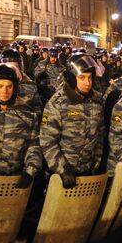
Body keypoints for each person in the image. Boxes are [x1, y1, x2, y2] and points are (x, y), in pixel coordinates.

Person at [40, 54, 105, 189]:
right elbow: (47, 141)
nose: (87, 83)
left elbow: (100, 134)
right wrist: (62, 169)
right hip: (61, 176)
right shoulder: (57, 103)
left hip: (87, 173)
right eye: (82, 78)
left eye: (90, 78)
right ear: (72, 78)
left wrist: (96, 162)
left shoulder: (97, 100)